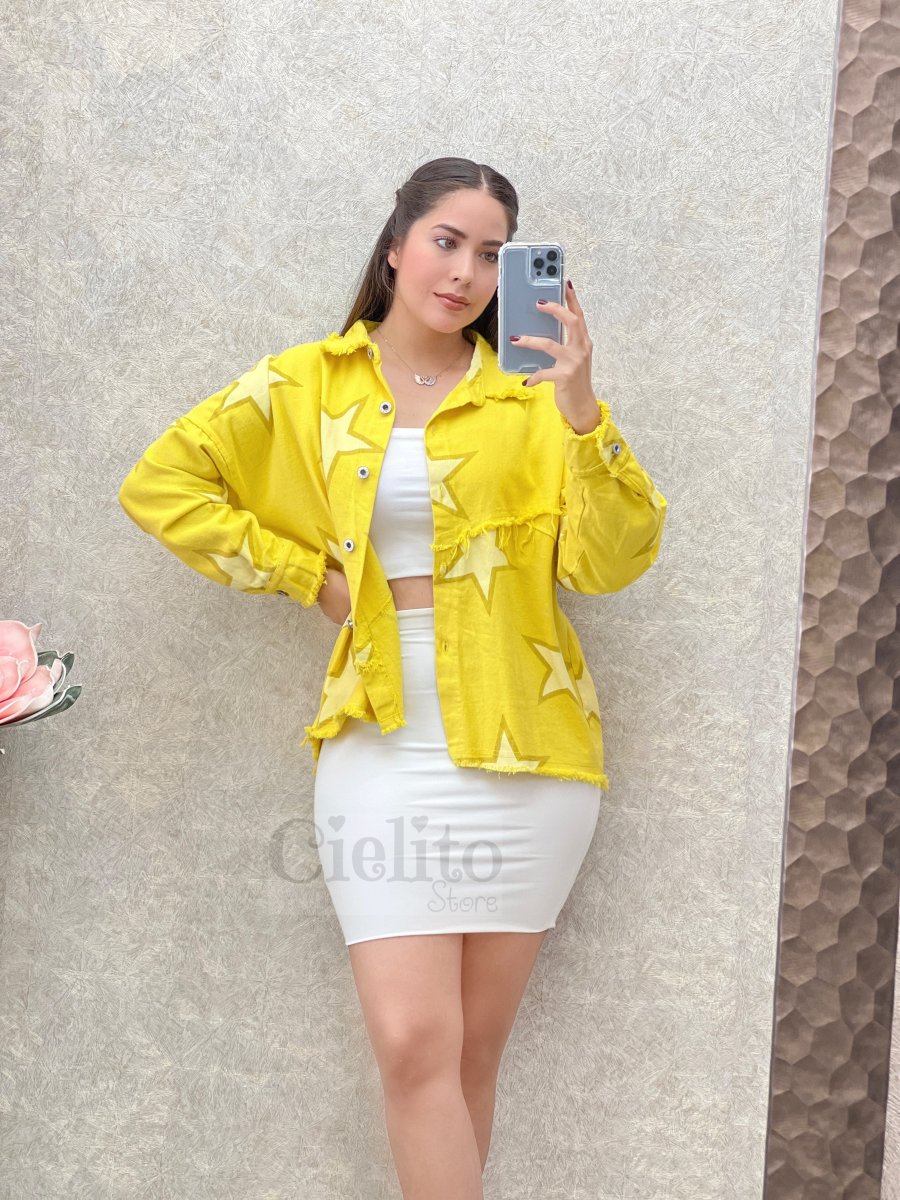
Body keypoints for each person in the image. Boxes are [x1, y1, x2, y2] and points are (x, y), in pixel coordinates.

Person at [119, 156, 667, 1199]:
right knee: (415, 1044)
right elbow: (160, 483)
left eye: (492, 256)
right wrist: (308, 577)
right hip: (381, 737)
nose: (464, 272)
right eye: (447, 242)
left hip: (529, 745)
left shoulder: (532, 398)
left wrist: (582, 408)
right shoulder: (307, 384)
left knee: (469, 1059)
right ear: (396, 246)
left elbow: (612, 562)